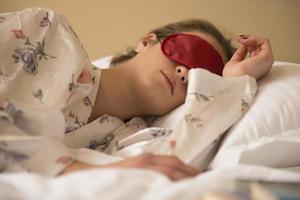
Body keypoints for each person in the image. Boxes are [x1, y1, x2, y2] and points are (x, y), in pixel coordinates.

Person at [0, 8, 273, 181]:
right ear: (146, 41)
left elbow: (170, 171)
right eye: (188, 53)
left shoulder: (132, 142)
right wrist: (77, 170)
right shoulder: (47, 33)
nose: (185, 74)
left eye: (201, 77)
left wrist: (234, 82)